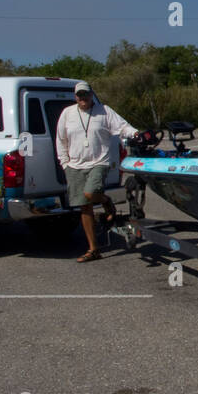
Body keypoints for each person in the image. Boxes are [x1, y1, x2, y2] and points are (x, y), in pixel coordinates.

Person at [55, 82, 137, 262]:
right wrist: (65, 163)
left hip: (99, 161)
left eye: (85, 94)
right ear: (75, 96)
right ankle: (93, 249)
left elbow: (122, 127)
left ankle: (106, 200)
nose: (82, 98)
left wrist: (135, 134)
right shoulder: (67, 113)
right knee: (85, 207)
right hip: (75, 165)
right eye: (79, 95)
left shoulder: (104, 111)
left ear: (92, 94)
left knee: (90, 193)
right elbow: (61, 140)